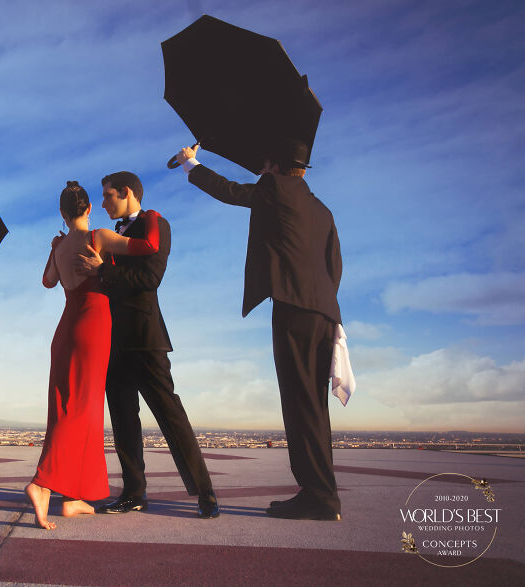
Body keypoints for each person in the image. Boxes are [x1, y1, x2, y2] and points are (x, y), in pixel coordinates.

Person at [175, 138, 343, 521]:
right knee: (314, 404)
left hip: (295, 308)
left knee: (299, 403)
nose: (261, 170)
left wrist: (191, 164)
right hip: (324, 312)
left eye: (265, 165)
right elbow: (335, 265)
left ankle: (318, 496)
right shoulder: (323, 210)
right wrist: (321, 302)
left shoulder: (275, 188)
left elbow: (231, 192)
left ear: (276, 167)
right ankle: (322, 492)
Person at [79, 171, 219, 519]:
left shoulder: (154, 224)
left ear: (126, 192)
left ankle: (205, 493)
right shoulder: (107, 235)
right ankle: (133, 493)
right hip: (113, 340)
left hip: (145, 338)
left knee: (171, 416)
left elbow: (150, 278)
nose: (103, 202)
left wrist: (103, 271)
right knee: (124, 420)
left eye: (108, 195)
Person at [26, 181, 162, 530]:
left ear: (62, 213)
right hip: (93, 324)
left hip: (66, 327)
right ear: (87, 209)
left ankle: (73, 497)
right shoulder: (98, 237)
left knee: (64, 406)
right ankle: (43, 485)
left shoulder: (59, 246)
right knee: (82, 406)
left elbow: (47, 281)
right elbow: (148, 244)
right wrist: (153, 215)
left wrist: (56, 247)